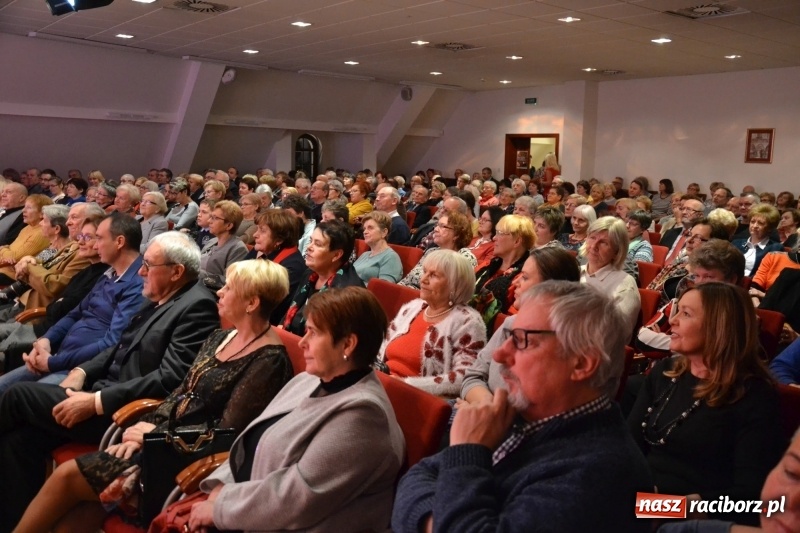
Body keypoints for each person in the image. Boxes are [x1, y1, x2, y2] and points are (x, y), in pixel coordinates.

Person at [14, 260, 295, 532]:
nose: (220, 292)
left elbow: (227, 433)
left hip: (185, 458)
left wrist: (156, 435)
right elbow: (181, 391)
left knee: (66, 478)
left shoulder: (268, 361)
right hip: (162, 435)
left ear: (252, 303)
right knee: (78, 515)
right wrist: (143, 426)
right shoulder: (221, 337)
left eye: (229, 288)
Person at [0, 231, 220, 530]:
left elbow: (170, 378)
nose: (141, 271)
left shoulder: (197, 306)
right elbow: (118, 347)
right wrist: (83, 371)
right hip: (99, 390)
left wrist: (96, 401)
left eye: (149, 265)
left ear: (176, 271)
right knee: (19, 441)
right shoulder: (158, 294)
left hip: (121, 413)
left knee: (18, 395)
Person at [393, 281, 653, 532]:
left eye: (522, 340)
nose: (499, 355)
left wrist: (467, 452)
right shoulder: (524, 414)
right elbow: (415, 479)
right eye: (509, 336)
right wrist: (442, 524)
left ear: (582, 363)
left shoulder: (600, 473)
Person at [183, 286, 405, 532]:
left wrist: (221, 507)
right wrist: (220, 489)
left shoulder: (364, 416)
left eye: (313, 332)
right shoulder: (310, 380)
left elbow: (295, 497)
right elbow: (254, 442)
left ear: (348, 345)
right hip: (248, 507)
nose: (302, 342)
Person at [628, 282, 785, 526]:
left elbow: (751, 499)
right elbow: (630, 447)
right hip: (641, 501)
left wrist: (664, 507)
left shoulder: (755, 398)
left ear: (718, 327)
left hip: (694, 520)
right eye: (678, 311)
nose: (673, 320)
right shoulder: (666, 372)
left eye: (686, 314)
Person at [0, 214, 146, 395]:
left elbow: (112, 342)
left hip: (77, 365)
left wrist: (52, 361)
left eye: (96, 238)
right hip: (56, 345)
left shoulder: (136, 283)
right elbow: (74, 313)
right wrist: (47, 340)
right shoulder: (99, 267)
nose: (87, 242)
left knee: (13, 392)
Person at [461, 247, 581, 404]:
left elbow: (536, 407)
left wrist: (491, 414)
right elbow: (473, 376)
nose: (515, 282)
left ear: (551, 287)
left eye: (524, 277)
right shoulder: (511, 323)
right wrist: (486, 404)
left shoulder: (564, 344)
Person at [0, 218, 107, 374]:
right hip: (31, 307)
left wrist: (28, 264)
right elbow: (34, 260)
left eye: (88, 237)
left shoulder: (86, 263)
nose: (69, 222)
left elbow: (54, 288)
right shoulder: (64, 247)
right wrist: (29, 260)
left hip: (38, 316)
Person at [378, 249, 485, 396]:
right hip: (381, 383)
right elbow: (382, 346)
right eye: (425, 271)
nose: (423, 279)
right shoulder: (413, 307)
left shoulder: (468, 322)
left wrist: (405, 385)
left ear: (455, 285)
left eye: (433, 275)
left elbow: (464, 377)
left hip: (415, 399)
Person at [636, 239, 745, 353]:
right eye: (697, 275)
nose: (699, 283)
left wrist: (665, 339)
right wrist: (685, 344)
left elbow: (712, 352)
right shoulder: (680, 302)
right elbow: (642, 338)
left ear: (732, 279)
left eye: (709, 277)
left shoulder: (740, 316)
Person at [281, 220, 363, 336]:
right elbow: (289, 314)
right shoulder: (309, 273)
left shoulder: (346, 293)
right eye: (310, 241)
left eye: (318, 244)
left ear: (336, 255)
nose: (309, 247)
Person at [579, 216, 640, 332]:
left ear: (617, 252)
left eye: (603, 243)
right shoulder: (574, 272)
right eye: (592, 238)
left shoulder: (625, 286)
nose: (593, 246)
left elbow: (615, 335)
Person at [471, 215, 534, 325]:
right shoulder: (490, 265)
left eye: (499, 233)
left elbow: (511, 319)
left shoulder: (523, 277)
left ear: (517, 241)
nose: (494, 238)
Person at [246, 209, 305, 324]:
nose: (255, 235)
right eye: (257, 229)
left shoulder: (292, 267)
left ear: (279, 240)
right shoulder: (261, 250)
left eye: (262, 231)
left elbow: (265, 309)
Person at [398, 211, 477, 289]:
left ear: (457, 234)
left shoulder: (465, 258)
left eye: (443, 226)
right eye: (437, 225)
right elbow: (407, 279)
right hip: (407, 293)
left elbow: (450, 290)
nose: (435, 229)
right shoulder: (431, 251)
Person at [0, 194, 53, 283]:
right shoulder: (27, 228)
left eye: (29, 208)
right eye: (24, 207)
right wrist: (5, 249)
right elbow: (10, 252)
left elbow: (14, 258)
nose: (23, 210)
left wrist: (3, 249)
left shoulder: (41, 233)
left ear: (41, 214)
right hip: (4, 269)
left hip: (13, 276)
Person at [200, 199, 248, 287]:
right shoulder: (212, 241)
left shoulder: (238, 249)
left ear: (229, 225)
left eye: (215, 218)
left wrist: (197, 274)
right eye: (211, 217)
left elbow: (227, 281)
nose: (209, 221)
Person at [732, 204, 783, 277]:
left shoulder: (775, 248)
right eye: (752, 222)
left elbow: (769, 275)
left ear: (770, 227)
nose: (755, 226)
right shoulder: (736, 243)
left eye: (760, 223)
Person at [353, 211, 403, 284]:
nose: (365, 232)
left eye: (370, 228)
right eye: (364, 228)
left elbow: (382, 288)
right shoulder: (365, 254)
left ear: (384, 232)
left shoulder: (390, 257)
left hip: (361, 294)